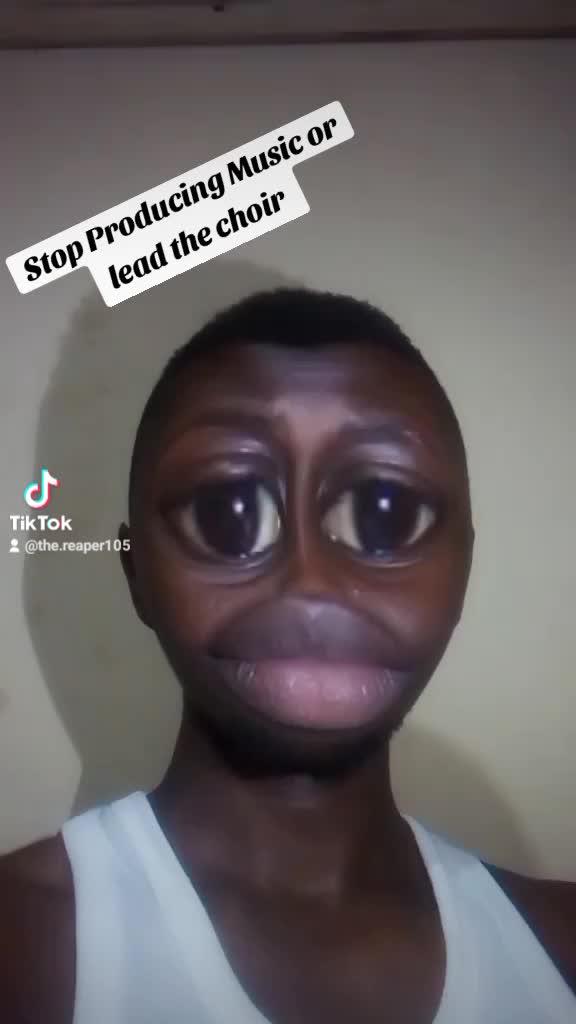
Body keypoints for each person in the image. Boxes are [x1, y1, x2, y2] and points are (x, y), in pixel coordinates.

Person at [1, 288, 574, 1023]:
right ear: (135, 571)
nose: (311, 580)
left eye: (387, 513)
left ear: (463, 566)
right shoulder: (20, 943)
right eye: (227, 513)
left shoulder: (562, 941)